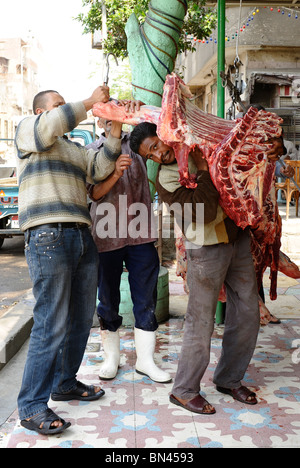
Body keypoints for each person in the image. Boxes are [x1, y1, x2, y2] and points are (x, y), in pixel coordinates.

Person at [129, 122, 284, 414]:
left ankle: (229, 378)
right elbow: (204, 211)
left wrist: (276, 145)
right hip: (205, 248)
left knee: (248, 311)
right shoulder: (166, 180)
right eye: (150, 155)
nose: (157, 155)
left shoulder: (202, 143)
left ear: (164, 136)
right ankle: (184, 390)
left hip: (236, 238)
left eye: (154, 146)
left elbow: (250, 151)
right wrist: (202, 170)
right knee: (201, 321)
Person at [15, 86, 123, 435]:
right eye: (58, 106)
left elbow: (101, 166)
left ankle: (65, 382)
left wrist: (116, 128)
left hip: (80, 236)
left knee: (79, 319)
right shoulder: (28, 132)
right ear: (40, 111)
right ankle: (31, 406)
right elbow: (49, 126)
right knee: (51, 322)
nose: (65, 112)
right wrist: (90, 103)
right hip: (48, 236)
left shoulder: (75, 150)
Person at [86, 107, 171, 384]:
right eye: (110, 117)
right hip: (106, 236)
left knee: (145, 299)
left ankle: (146, 361)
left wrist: (132, 109)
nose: (116, 122)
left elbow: (157, 130)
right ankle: (112, 357)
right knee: (108, 301)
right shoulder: (93, 151)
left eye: (119, 116)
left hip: (141, 236)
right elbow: (95, 194)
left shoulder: (140, 143)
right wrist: (113, 174)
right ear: (101, 121)